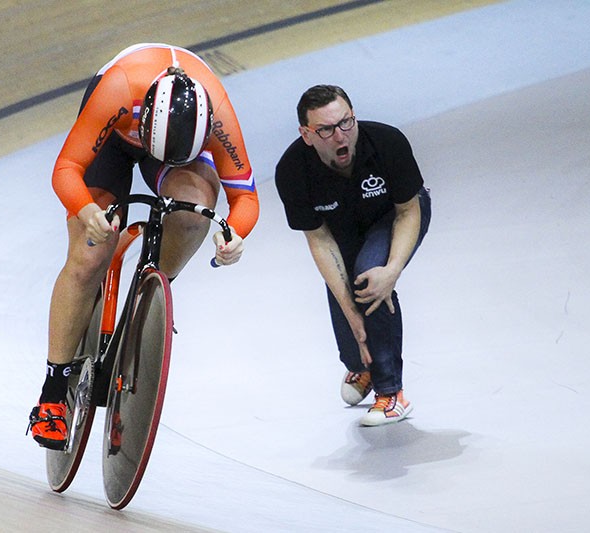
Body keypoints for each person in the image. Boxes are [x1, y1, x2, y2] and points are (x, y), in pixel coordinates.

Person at [27, 43, 259, 449]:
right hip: (116, 134)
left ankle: (151, 295)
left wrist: (235, 234)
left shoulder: (217, 112)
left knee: (192, 216)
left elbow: (246, 198)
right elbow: (66, 169)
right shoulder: (117, 88)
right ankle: (52, 393)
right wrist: (86, 213)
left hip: (179, 149)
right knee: (89, 254)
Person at [274, 85, 430, 426]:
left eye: (346, 123)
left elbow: (408, 211)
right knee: (348, 306)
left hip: (396, 215)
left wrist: (392, 269)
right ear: (306, 134)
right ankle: (362, 367)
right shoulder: (291, 170)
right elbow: (319, 240)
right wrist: (351, 316)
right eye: (326, 130)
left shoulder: (388, 142)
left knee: (369, 276)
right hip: (343, 225)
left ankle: (391, 394)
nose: (340, 135)